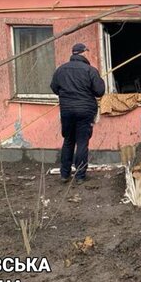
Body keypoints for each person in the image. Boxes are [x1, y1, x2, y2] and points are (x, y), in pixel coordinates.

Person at [50, 43, 105, 184]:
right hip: (85, 111)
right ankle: (80, 176)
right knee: (82, 142)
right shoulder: (90, 70)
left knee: (68, 140)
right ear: (83, 53)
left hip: (67, 110)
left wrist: (67, 94)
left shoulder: (60, 70)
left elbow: (54, 88)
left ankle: (64, 174)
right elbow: (100, 92)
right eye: (87, 51)